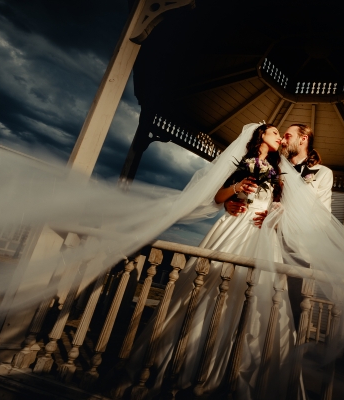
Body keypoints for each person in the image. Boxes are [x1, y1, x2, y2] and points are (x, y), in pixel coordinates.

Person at [125, 123, 298, 399]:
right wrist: (236, 189)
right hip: (233, 227)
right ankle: (184, 361)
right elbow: (218, 196)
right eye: (274, 132)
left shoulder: (278, 173)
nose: (279, 137)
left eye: (280, 134)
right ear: (260, 135)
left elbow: (281, 209)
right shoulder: (242, 161)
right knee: (208, 286)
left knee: (253, 298)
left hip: (260, 235)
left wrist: (271, 218)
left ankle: (232, 366)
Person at [224, 123, 333, 328]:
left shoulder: (323, 173)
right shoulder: (275, 167)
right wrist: (229, 203)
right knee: (247, 297)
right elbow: (254, 192)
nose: (283, 140)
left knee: (288, 311)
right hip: (260, 240)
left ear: (303, 139)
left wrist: (279, 219)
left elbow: (323, 218)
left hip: (296, 249)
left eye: (288, 136)